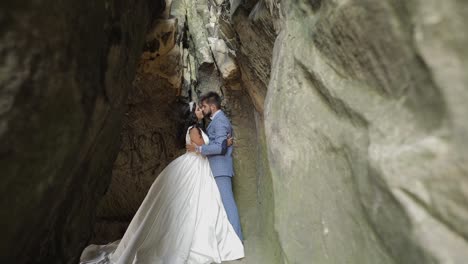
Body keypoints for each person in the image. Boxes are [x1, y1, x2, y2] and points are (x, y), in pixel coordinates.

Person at [80, 101, 244, 264]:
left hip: (200, 167)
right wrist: (224, 144)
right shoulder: (194, 129)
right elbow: (202, 148)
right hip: (195, 166)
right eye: (197, 109)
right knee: (194, 204)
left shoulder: (197, 128)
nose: (201, 109)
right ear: (192, 114)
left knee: (198, 205)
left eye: (200, 107)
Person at [186, 92, 243, 241]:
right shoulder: (215, 121)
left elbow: (220, 148)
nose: (203, 109)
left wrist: (199, 149)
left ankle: (237, 239)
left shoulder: (220, 121)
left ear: (212, 106)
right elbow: (219, 144)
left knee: (228, 203)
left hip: (221, 169)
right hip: (216, 168)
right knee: (221, 205)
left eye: (204, 106)